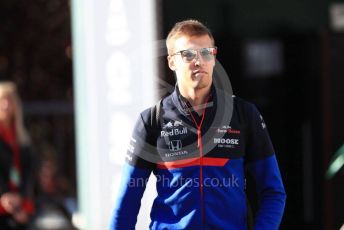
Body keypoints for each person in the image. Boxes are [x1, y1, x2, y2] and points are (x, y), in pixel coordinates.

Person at [110, 19, 286, 230]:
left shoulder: (243, 114)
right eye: (188, 54)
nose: (199, 61)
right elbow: (127, 203)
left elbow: (273, 192)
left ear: (214, 58)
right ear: (171, 62)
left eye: (206, 52)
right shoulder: (152, 121)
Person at [0, 81, 35, 229]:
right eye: (2, 100)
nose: (7, 105)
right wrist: (4, 194)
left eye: (10, 100)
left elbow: (29, 170)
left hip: (20, 202)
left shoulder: (21, 136)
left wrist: (21, 197)